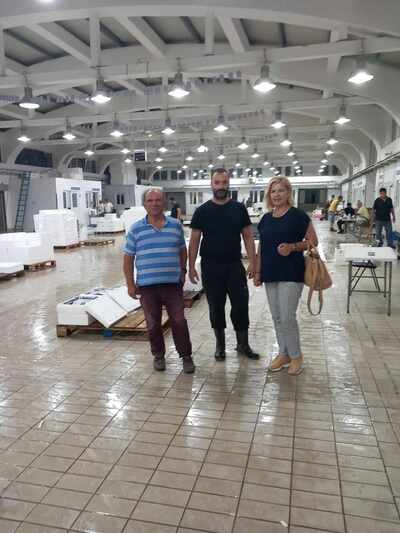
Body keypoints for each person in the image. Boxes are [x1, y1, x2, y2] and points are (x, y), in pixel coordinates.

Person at [188, 168, 259, 361]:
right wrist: (191, 266)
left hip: (234, 265)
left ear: (229, 184)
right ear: (211, 184)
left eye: (224, 182)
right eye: (217, 182)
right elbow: (194, 240)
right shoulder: (202, 211)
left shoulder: (239, 209)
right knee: (216, 307)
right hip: (211, 267)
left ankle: (243, 344)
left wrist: (253, 262)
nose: (221, 186)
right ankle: (220, 346)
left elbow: (248, 236)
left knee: (241, 306)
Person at [123, 188, 195, 374]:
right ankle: (158, 355)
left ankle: (186, 356)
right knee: (153, 323)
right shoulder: (136, 229)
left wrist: (183, 270)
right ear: (144, 204)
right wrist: (130, 284)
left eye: (158, 200)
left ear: (164, 202)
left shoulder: (175, 225)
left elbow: (182, 250)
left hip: (172, 285)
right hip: (147, 287)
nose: (154, 203)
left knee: (179, 321)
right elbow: (128, 258)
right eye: (150, 200)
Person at [254, 177, 318, 376]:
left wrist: (293, 247)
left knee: (287, 316)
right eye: (273, 191)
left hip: (291, 272)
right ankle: (284, 354)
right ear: (269, 195)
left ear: (288, 193)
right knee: (276, 316)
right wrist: (258, 271)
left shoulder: (298, 216)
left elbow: (313, 241)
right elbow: (262, 246)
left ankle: (296, 356)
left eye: (281, 190)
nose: (277, 195)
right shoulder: (265, 219)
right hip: (270, 272)